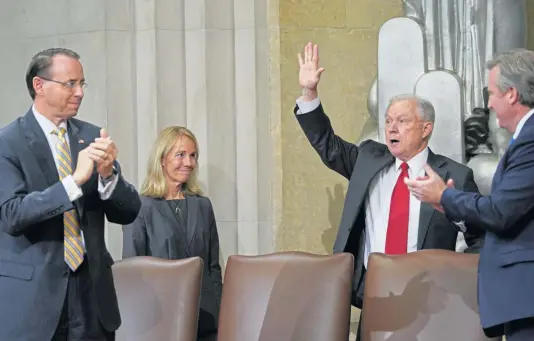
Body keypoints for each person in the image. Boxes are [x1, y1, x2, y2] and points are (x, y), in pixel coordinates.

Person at [295, 42, 483, 340]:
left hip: (430, 299)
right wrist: (309, 93)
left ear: (426, 128)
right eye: (388, 121)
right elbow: (329, 145)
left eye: (403, 121)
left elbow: (480, 238)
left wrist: (458, 286)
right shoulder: (369, 160)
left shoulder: (454, 176)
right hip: (375, 293)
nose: (392, 128)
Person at [0, 48, 141, 341]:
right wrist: (74, 181)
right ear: (39, 85)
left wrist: (107, 176)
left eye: (82, 84)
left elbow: (128, 211)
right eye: (70, 84)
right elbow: (12, 215)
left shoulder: (90, 136)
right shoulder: (8, 142)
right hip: (34, 300)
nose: (79, 93)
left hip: (91, 296)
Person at [405, 49, 534, 341]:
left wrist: (446, 196)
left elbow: (501, 212)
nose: (488, 103)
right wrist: (446, 202)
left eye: (492, 93)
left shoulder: (531, 139)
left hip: (527, 296)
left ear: (512, 94)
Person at [122, 126, 222, 341]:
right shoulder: (139, 207)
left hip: (205, 320)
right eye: (180, 155)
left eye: (193, 155)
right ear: (162, 160)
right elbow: (132, 272)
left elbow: (213, 266)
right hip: (159, 319)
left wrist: (220, 310)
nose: (189, 162)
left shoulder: (203, 205)